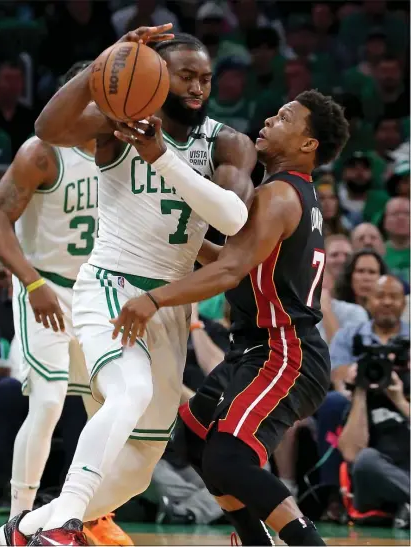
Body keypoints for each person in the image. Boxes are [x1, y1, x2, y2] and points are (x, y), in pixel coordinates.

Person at [0, 26, 256, 546]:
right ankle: (67, 523)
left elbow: (230, 219)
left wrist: (161, 155)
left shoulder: (228, 142)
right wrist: (107, 61)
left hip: (170, 304)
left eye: (205, 78)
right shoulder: (116, 125)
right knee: (127, 389)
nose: (198, 88)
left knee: (140, 466)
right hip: (108, 286)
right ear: (157, 76)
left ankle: (26, 529)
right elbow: (47, 125)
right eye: (186, 76)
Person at [111, 90, 350, 545]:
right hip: (258, 349)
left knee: (228, 458)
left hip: (285, 351)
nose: (268, 119)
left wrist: (154, 299)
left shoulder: (279, 195)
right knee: (199, 433)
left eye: (284, 118)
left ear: (307, 144)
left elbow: (230, 271)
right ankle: (253, 540)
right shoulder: (288, 192)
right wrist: (185, 241)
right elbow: (238, 263)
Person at [0, 61, 131, 546]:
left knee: (108, 406)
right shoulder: (43, 152)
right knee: (46, 404)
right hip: (43, 286)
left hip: (96, 291)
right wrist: (30, 282)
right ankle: (19, 519)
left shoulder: (122, 150)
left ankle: (91, 514)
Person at [334, 276, 410, 527]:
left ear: (403, 303)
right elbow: (352, 453)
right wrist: (360, 391)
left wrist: (399, 399)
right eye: (380, 296)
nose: (387, 302)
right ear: (368, 302)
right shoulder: (360, 380)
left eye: (394, 296)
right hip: (374, 480)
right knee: (366, 462)